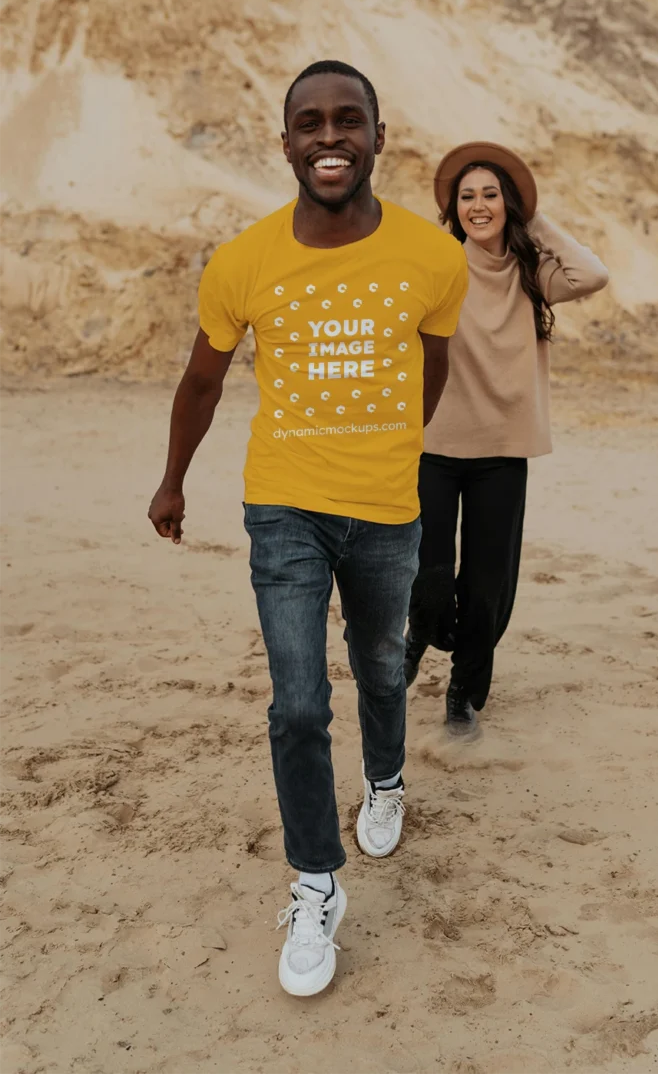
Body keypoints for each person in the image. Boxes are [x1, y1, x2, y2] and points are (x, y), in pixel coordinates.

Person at [148, 61, 468, 997]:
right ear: (285, 141)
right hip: (282, 502)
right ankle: (316, 881)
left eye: (348, 121)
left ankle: (384, 779)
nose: (330, 139)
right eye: (310, 124)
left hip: (384, 507)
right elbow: (203, 380)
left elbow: (431, 367)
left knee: (378, 666)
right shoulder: (243, 260)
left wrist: (402, 449)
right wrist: (173, 480)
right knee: (296, 701)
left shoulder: (431, 257)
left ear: (378, 135)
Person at [403, 142, 609, 734]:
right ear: (453, 208)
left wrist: (532, 216)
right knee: (431, 573)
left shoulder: (533, 273)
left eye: (491, 194)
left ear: (508, 202)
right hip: (435, 447)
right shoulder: (438, 264)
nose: (478, 205)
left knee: (486, 584)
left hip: (502, 452)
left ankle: (461, 695)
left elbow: (592, 274)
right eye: (466, 196)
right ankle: (418, 633)